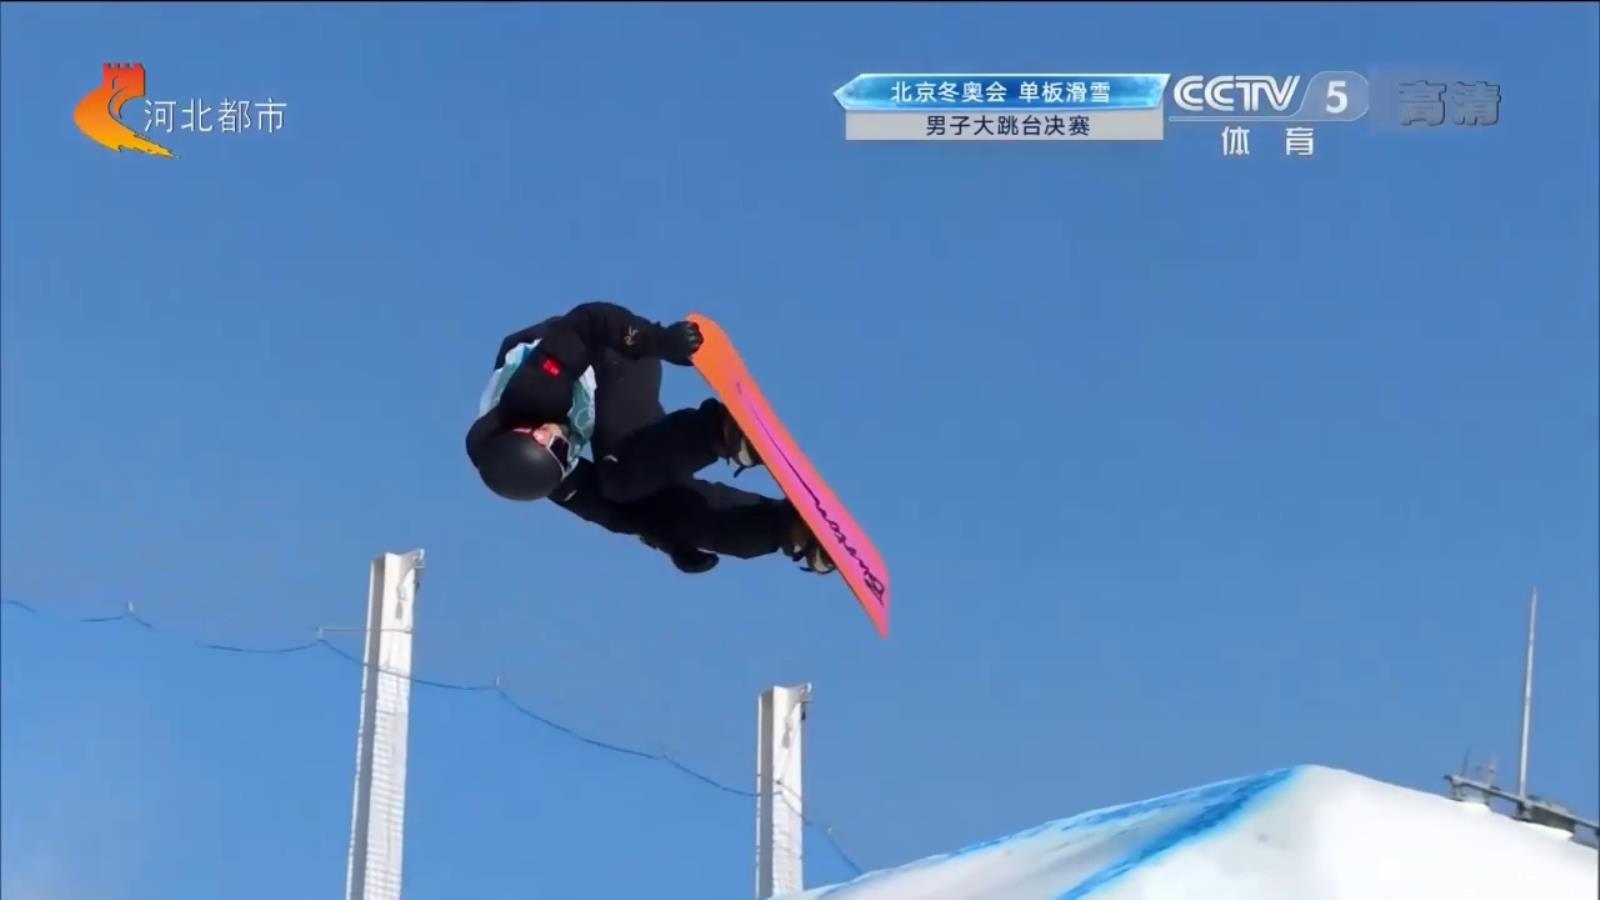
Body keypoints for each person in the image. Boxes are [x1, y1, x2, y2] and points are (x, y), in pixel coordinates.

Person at [464, 301, 835, 576]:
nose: (563, 443)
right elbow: (609, 513)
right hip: (602, 401)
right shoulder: (545, 476)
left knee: (621, 475)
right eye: (564, 456)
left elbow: (588, 323)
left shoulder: (533, 393)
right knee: (657, 509)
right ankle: (785, 529)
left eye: (555, 443)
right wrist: (669, 538)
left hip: (614, 352)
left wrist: (655, 340)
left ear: (527, 430)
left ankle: (721, 431)